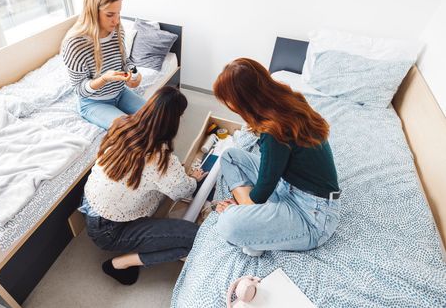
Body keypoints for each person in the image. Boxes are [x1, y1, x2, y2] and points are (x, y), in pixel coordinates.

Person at [212, 58, 341, 257]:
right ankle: (250, 213)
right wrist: (248, 204)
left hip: (312, 216)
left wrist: (241, 208)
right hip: (287, 184)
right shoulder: (289, 99)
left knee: (227, 223)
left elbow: (262, 191)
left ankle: (248, 217)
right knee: (230, 156)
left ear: (244, 102)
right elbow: (269, 179)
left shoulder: (275, 131)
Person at [81, 86, 207, 285]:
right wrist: (194, 178)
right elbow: (184, 190)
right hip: (110, 231)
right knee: (196, 237)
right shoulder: (161, 159)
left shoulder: (121, 125)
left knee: (153, 184)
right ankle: (120, 264)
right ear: (174, 121)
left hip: (90, 206)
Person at [62, 0, 145, 130]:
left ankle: (163, 151)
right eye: (110, 14)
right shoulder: (75, 44)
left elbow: (125, 61)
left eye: (118, 13)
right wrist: (103, 79)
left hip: (120, 92)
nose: (116, 20)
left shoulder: (117, 30)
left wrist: (133, 73)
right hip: (93, 102)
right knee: (130, 131)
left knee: (155, 116)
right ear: (93, 12)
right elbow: (79, 89)